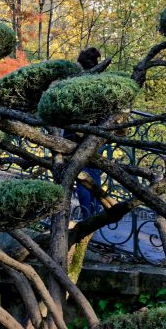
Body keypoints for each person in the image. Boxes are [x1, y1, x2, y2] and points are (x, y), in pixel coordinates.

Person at [73, 47, 104, 217]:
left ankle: (87, 215)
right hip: (97, 133)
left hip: (75, 134)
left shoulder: (75, 81)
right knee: (94, 172)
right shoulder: (100, 81)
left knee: (81, 174)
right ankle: (95, 213)